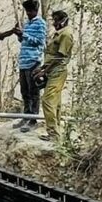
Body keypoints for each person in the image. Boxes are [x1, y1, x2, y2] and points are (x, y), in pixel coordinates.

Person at [38, 10, 74, 140]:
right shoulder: (59, 33)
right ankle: (57, 131)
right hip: (52, 70)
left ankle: (53, 133)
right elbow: (53, 54)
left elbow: (59, 57)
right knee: (56, 102)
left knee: (47, 101)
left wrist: (44, 71)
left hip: (57, 71)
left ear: (63, 21)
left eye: (56, 20)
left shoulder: (66, 34)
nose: (54, 23)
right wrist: (43, 67)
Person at [12, 0, 46, 132]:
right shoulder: (27, 23)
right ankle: (26, 116)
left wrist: (24, 35)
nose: (28, 13)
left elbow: (40, 42)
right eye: (27, 11)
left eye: (30, 11)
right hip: (23, 61)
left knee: (33, 92)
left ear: (35, 10)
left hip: (34, 61)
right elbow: (24, 41)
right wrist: (19, 35)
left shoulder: (40, 24)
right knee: (24, 91)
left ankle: (33, 119)